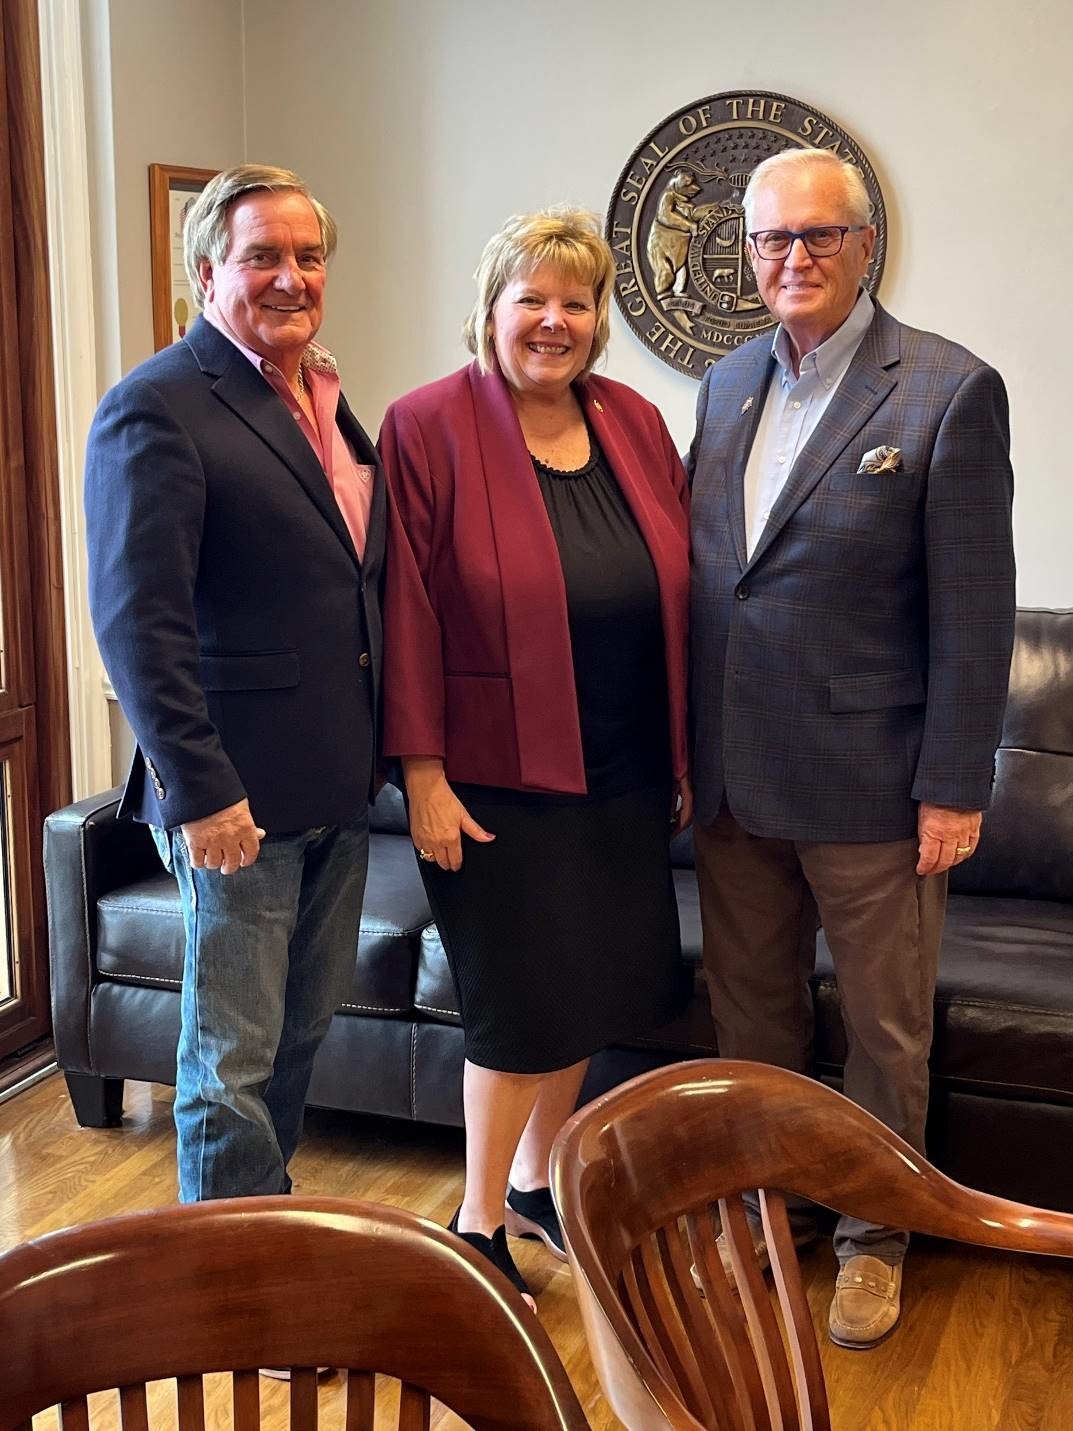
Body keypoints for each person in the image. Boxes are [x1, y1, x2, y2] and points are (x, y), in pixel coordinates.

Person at [687, 148, 1016, 1346]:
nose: (793, 258)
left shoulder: (944, 388)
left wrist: (952, 788)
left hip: (874, 786)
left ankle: (875, 1238)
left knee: (883, 1031)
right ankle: (771, 1208)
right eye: (772, 238)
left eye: (818, 235)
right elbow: (716, 581)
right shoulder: (725, 383)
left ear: (863, 244)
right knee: (751, 1020)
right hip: (732, 779)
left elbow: (972, 611)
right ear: (747, 252)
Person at [380, 207, 691, 1307]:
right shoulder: (427, 425)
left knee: (586, 991)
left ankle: (535, 1184)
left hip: (623, 767)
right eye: (532, 300)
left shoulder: (633, 421)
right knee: (517, 1005)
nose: (554, 321)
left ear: (598, 318)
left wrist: (682, 758)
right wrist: (421, 773)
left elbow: (678, 589)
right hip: (493, 778)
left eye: (576, 302)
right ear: (491, 309)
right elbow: (404, 608)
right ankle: (475, 1225)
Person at [84, 164, 385, 1203]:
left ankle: (266, 1223)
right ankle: (220, 1269)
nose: (291, 277)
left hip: (336, 785)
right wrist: (201, 790)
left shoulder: (321, 397)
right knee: (230, 1058)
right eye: (263, 256)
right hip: (236, 800)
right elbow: (137, 622)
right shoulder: (156, 407)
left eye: (308, 256)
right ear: (208, 270)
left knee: (299, 1033)